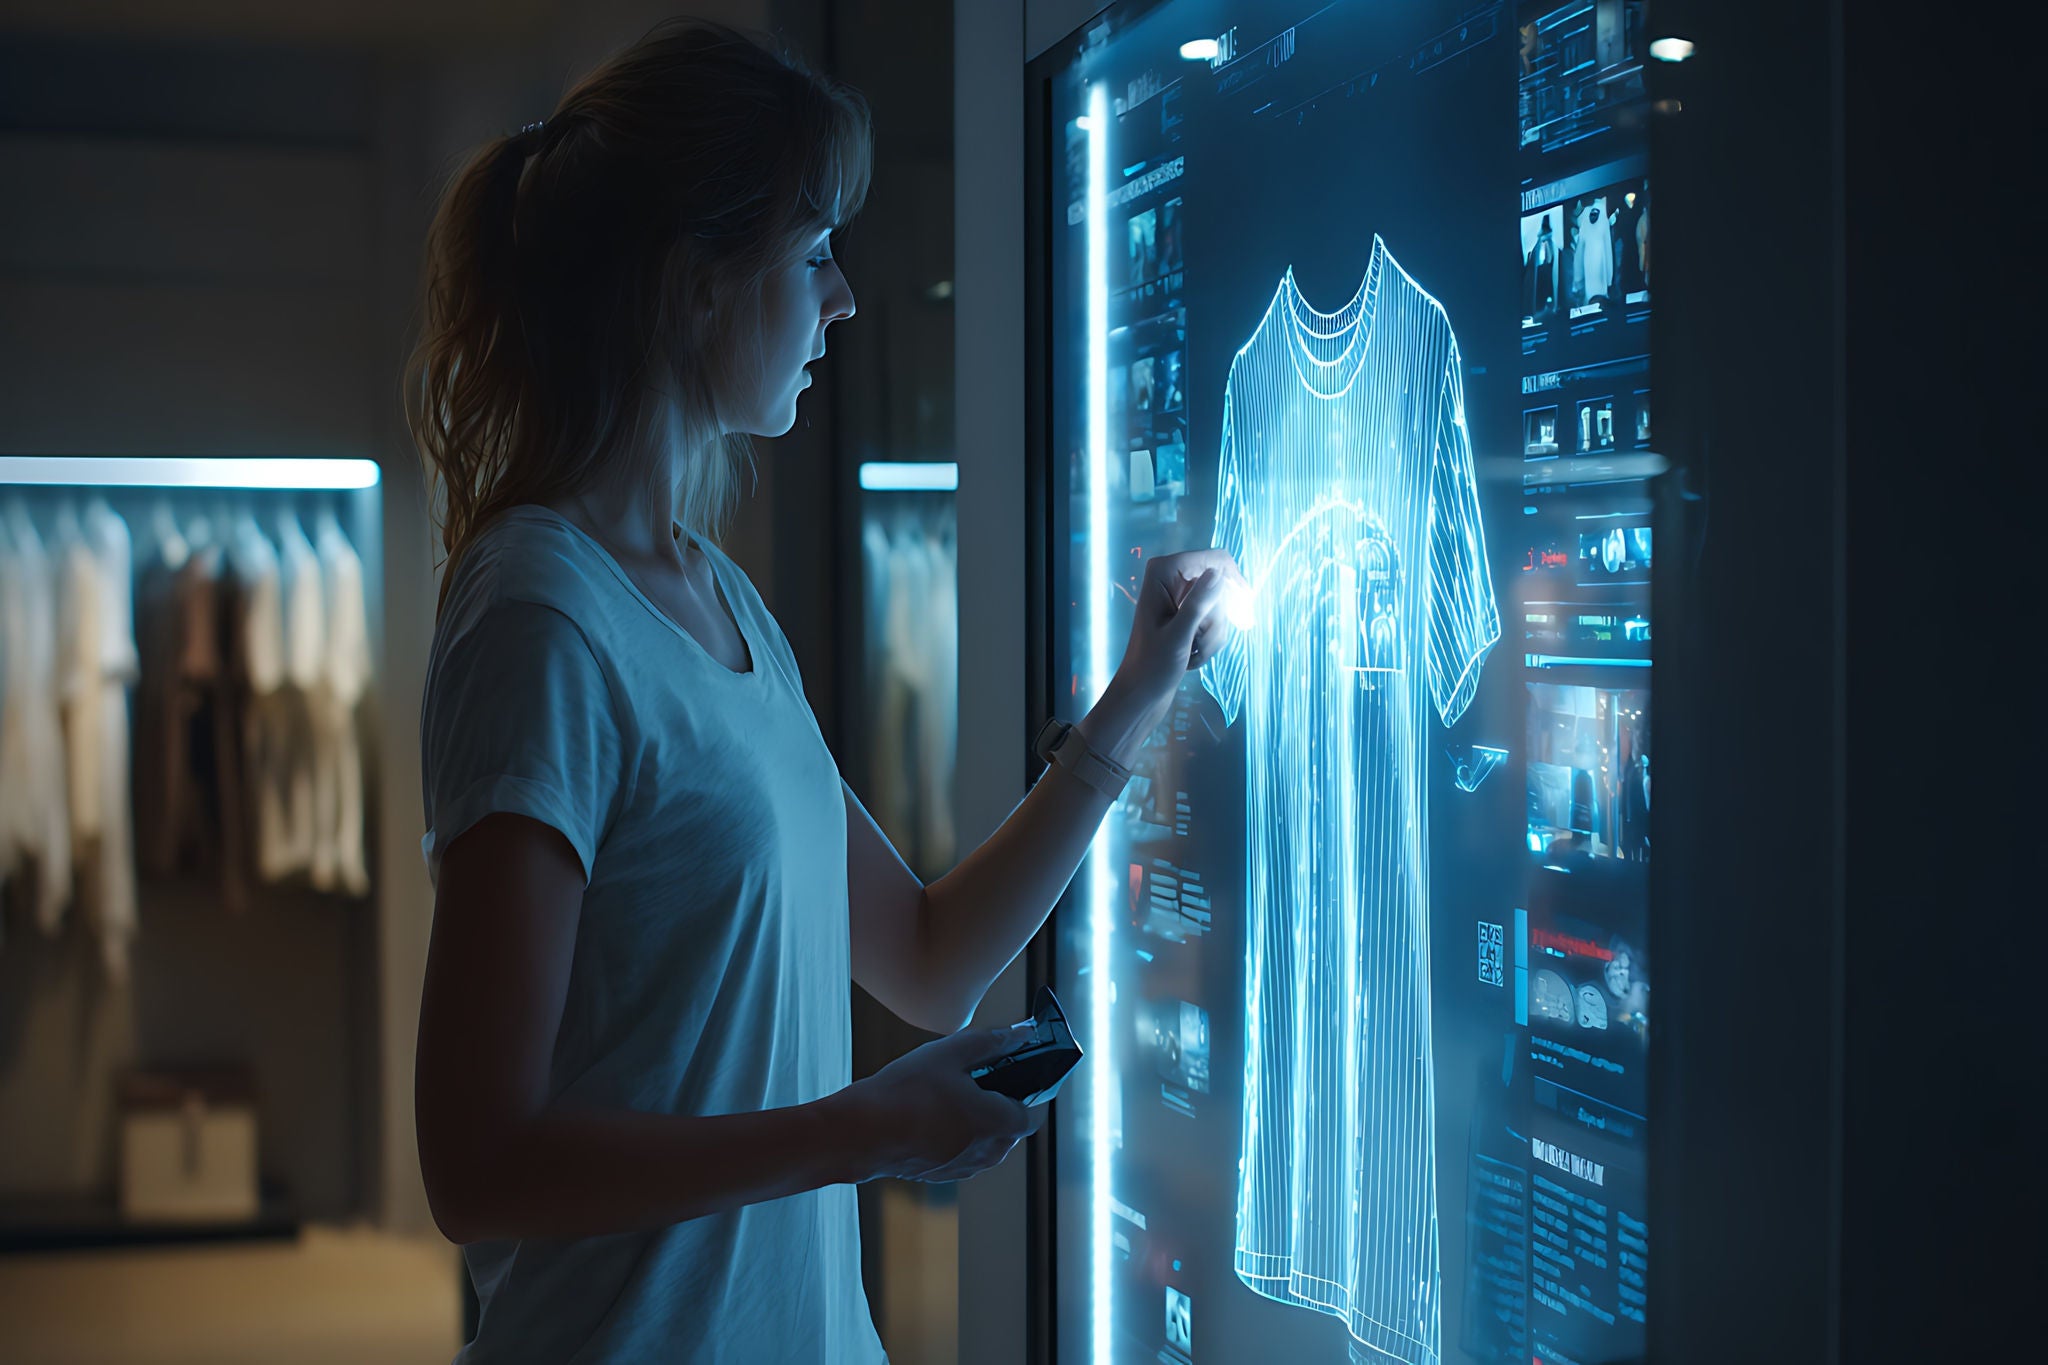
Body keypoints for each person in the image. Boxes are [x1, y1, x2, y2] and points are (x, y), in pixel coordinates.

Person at [402, 19, 1237, 1365]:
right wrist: (866, 1130)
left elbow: (928, 958)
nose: (845, 299)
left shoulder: (722, 599)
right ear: (695, 284)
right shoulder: (539, 614)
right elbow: (478, 1166)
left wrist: (1135, 698)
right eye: (813, 255)